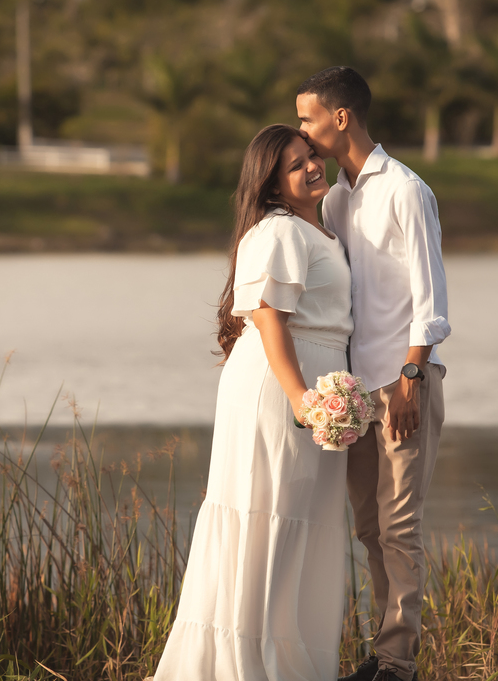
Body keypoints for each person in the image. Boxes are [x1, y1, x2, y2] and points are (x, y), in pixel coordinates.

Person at [150, 124, 354, 681]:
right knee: (265, 518)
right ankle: (243, 665)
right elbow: (268, 319)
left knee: (297, 520)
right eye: (295, 164)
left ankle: (286, 661)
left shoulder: (319, 230)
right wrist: (302, 398)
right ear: (271, 185)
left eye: (310, 154)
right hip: (281, 389)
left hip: (313, 390)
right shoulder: (279, 230)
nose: (312, 166)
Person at [296, 67, 451, 681]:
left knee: (400, 528)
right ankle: (385, 652)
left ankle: (396, 663)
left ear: (340, 118)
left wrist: (412, 376)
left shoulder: (406, 190)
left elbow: (430, 296)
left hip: (404, 380)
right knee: (369, 528)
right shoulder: (335, 199)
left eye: (307, 119)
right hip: (356, 393)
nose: (302, 131)